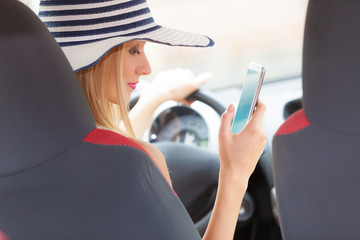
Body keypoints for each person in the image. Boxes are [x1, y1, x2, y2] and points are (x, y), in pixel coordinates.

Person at [38, 1, 266, 239]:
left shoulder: (25, 148)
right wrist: (236, 171)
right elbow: (117, 157)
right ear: (95, 56)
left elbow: (100, 148)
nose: (146, 68)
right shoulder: (138, 163)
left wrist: (156, 96)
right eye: (134, 50)